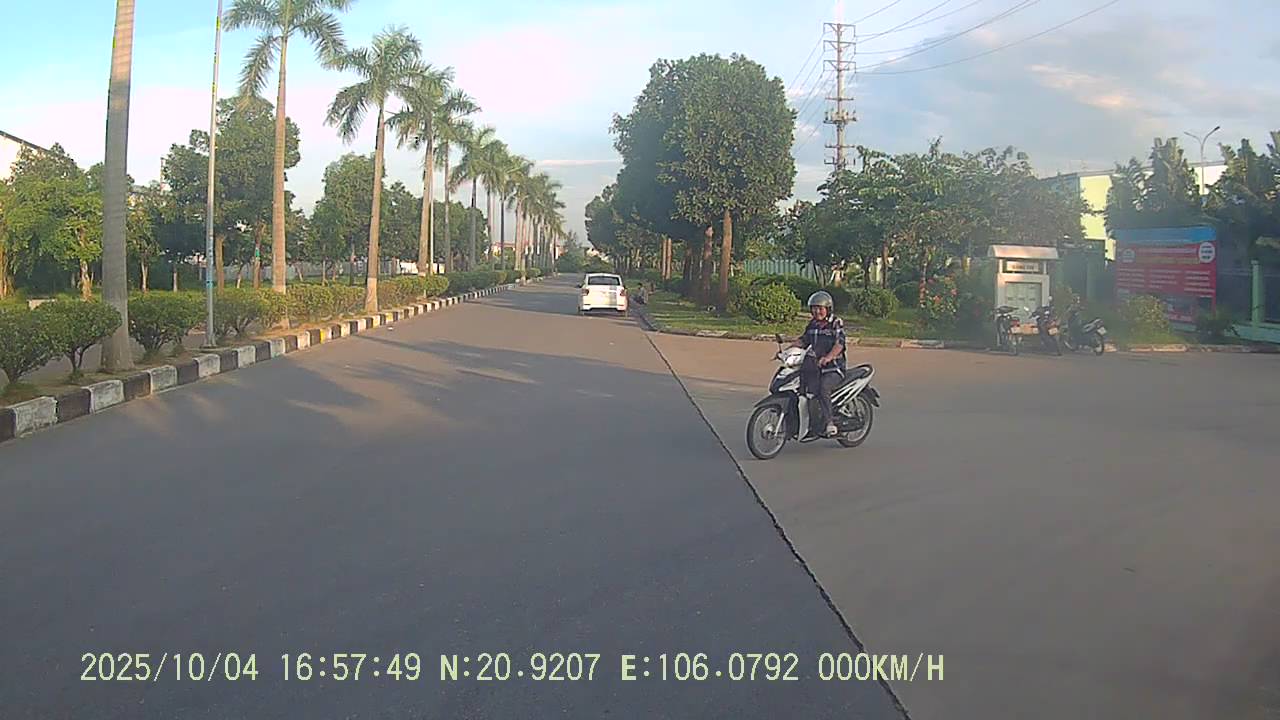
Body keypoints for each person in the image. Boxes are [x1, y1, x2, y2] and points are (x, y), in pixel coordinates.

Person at [791, 290, 846, 437]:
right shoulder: (813, 324)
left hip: (834, 368)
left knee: (823, 387)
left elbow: (839, 344)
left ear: (828, 309)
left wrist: (828, 357)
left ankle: (829, 423)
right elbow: (804, 340)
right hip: (814, 367)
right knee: (801, 386)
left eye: (820, 308)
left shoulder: (835, 322)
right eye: (814, 308)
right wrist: (788, 350)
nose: (817, 311)